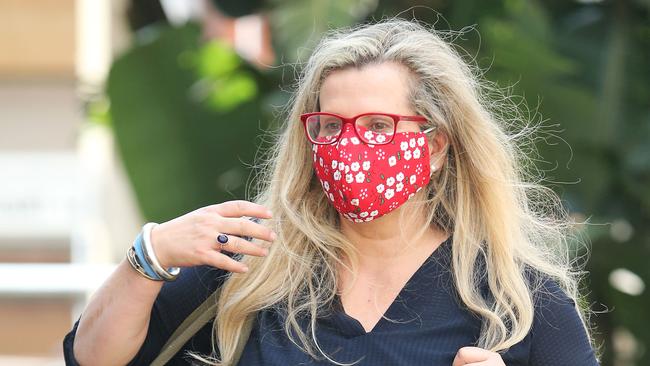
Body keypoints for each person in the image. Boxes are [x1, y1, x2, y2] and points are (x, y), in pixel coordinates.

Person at [63, 19, 600, 366]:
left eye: (378, 126)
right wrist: (148, 256)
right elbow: (89, 359)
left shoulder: (516, 298)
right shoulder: (252, 261)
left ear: (435, 145)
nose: (350, 145)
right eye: (330, 126)